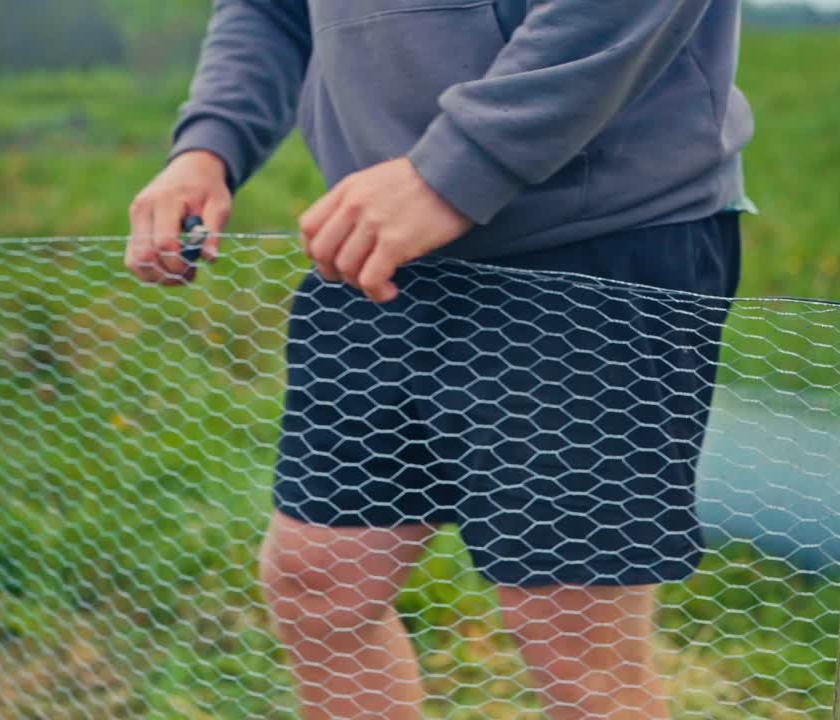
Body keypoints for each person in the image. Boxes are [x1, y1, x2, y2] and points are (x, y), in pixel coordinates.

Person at [127, 1, 753, 717]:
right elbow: (269, 9)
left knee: (572, 641)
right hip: (370, 240)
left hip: (586, 233)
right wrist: (208, 143)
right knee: (319, 584)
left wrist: (456, 168)